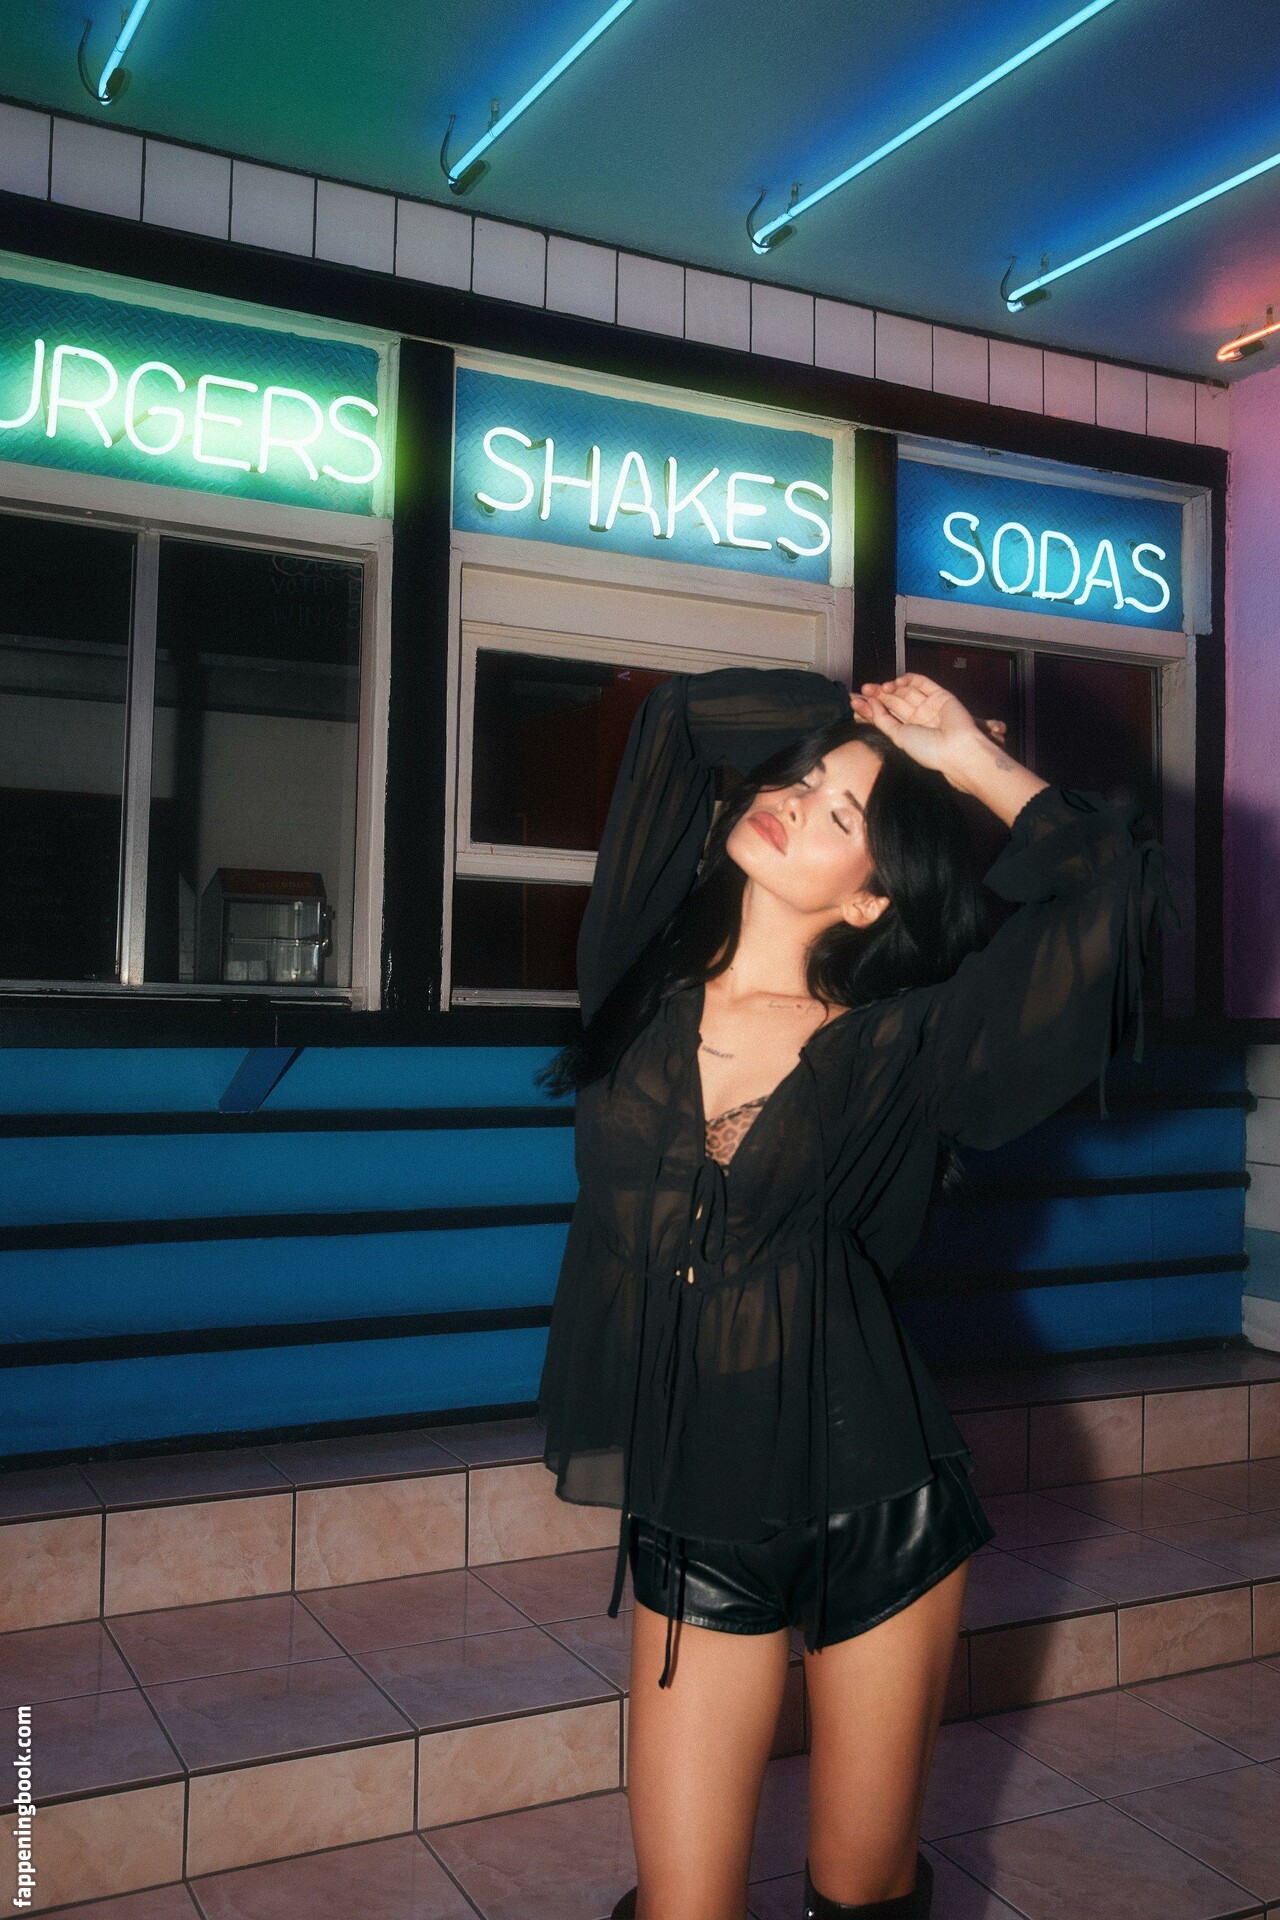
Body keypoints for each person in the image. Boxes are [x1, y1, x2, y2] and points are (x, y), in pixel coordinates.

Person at [534, 667, 1179, 1920]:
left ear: (871, 895)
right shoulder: (636, 979)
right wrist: (857, 714)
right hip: (693, 1506)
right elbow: (676, 724)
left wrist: (964, 759)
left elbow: (1111, 897)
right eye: (798, 780)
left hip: (876, 1502)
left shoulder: (903, 1044)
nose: (792, 801)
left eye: (840, 815)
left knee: (859, 1887)